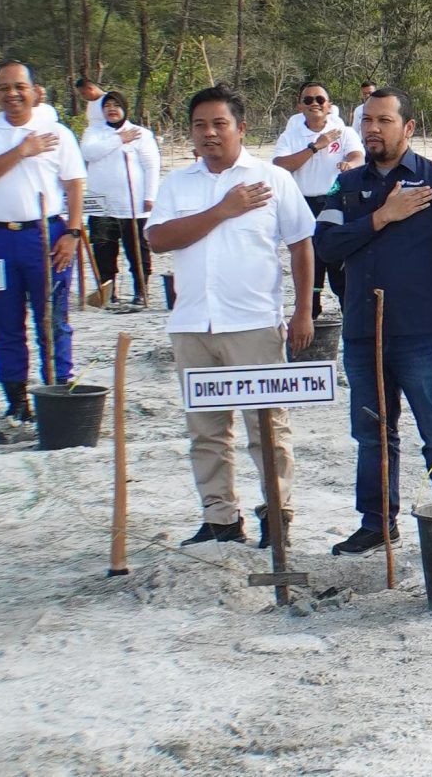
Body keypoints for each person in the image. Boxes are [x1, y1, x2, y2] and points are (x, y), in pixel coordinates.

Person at [145, 84, 317, 546]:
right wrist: (222, 211)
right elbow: (158, 239)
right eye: (200, 125)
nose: (209, 133)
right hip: (192, 326)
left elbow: (301, 243)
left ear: (241, 128)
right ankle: (220, 518)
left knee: (268, 427)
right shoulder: (177, 184)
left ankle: (277, 517)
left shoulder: (272, 179)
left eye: (219, 124)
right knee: (206, 430)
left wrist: (303, 311)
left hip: (254, 325)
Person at [311, 87, 432, 556]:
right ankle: (377, 522)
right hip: (363, 332)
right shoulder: (344, 186)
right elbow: (325, 247)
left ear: (407, 128)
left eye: (384, 121)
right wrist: (381, 217)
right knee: (371, 430)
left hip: (423, 334)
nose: (371, 129)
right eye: (367, 120)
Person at [0, 62, 86, 425]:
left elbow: (74, 185)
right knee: (2, 321)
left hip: (46, 235)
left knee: (52, 318)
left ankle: (57, 392)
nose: (12, 94)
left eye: (19, 86)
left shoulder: (57, 133)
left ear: (35, 90)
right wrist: (22, 150)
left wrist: (71, 233)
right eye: (4, 87)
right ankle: (17, 401)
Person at [273, 79, 365, 317]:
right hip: (304, 203)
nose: (314, 103)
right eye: (308, 100)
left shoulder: (343, 132)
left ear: (328, 105)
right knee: (309, 260)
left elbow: (358, 156)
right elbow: (280, 165)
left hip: (335, 202)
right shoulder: (291, 135)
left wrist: (350, 164)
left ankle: (349, 313)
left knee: (338, 259)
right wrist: (316, 147)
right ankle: (309, 313)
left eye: (319, 99)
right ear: (299, 106)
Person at [81, 89, 161, 306]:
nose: (112, 110)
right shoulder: (94, 132)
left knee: (137, 251)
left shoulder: (140, 133)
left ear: (124, 108)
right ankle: (108, 293)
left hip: (133, 204)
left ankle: (141, 290)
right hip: (102, 205)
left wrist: (150, 195)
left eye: (116, 106)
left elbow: (151, 165)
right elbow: (89, 153)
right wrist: (118, 140)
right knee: (103, 250)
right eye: (107, 106)